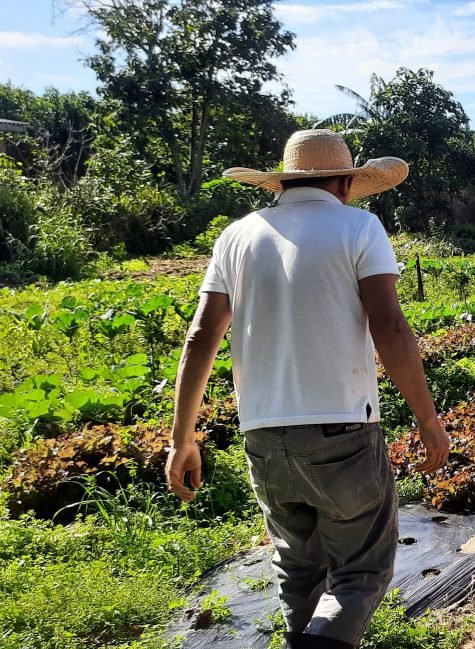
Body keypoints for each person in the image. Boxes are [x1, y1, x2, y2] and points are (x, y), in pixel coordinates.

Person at [165, 129, 450, 649]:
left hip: (263, 436)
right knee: (361, 570)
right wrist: (428, 421)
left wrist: (182, 439)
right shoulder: (359, 227)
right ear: (344, 182)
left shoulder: (238, 235)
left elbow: (202, 335)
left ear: (284, 181)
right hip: (342, 429)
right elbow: (389, 328)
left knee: (299, 570)